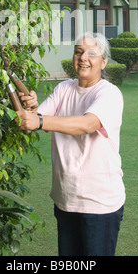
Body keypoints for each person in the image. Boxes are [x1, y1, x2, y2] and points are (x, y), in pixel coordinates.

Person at [16, 32, 125, 256]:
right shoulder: (64, 89)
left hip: (99, 204)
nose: (83, 57)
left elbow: (88, 124)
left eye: (91, 53)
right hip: (66, 200)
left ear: (103, 61)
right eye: (78, 52)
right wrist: (30, 107)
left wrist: (39, 120)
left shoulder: (109, 94)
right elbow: (34, 121)